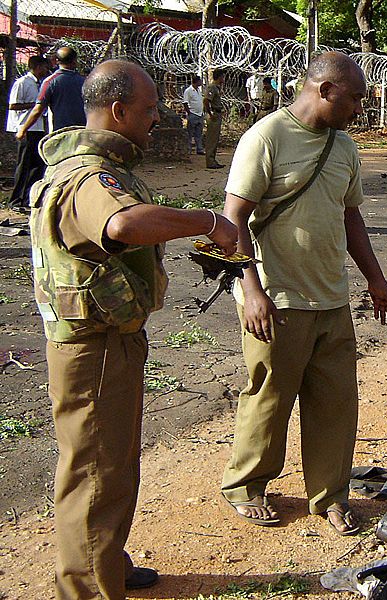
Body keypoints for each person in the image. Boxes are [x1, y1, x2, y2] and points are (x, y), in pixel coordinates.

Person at [29, 59, 237, 600]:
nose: (156, 118)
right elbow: (124, 223)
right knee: (97, 474)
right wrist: (208, 221)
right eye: (148, 110)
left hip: (103, 340)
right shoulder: (88, 175)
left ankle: (107, 564)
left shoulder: (90, 166)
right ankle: (92, 589)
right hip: (94, 348)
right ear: (117, 111)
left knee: (109, 464)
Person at [220, 51, 387, 536]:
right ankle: (247, 486)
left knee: (336, 401)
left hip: (331, 299)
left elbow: (350, 216)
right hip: (276, 300)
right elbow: (233, 218)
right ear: (324, 90)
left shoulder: (344, 147)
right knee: (269, 398)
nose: (361, 109)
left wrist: (375, 280)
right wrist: (251, 287)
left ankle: (331, 495)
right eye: (356, 98)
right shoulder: (266, 137)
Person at [5, 55, 50, 211]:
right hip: (25, 128)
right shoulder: (23, 83)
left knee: (37, 165)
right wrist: (36, 105)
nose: (46, 70)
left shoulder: (41, 84)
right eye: (44, 67)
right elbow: (13, 105)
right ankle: (15, 200)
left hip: (38, 127)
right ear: (37, 67)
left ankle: (28, 198)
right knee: (23, 165)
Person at [17, 47, 85, 140]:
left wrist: (23, 130)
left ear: (57, 61)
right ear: (75, 61)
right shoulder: (84, 81)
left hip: (60, 133)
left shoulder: (50, 82)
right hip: (82, 132)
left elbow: (38, 110)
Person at [204, 68, 226, 169]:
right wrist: (210, 113)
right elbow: (206, 101)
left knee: (215, 138)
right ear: (220, 77)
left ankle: (212, 159)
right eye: (223, 76)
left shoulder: (216, 88)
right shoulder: (212, 87)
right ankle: (210, 161)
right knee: (212, 139)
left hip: (216, 114)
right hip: (214, 115)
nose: (224, 79)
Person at [182, 75, 205, 155]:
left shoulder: (198, 90)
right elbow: (185, 102)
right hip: (193, 114)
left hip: (200, 114)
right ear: (196, 82)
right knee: (190, 133)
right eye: (200, 81)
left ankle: (199, 149)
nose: (201, 83)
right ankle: (188, 149)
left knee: (199, 133)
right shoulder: (188, 91)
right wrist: (189, 113)